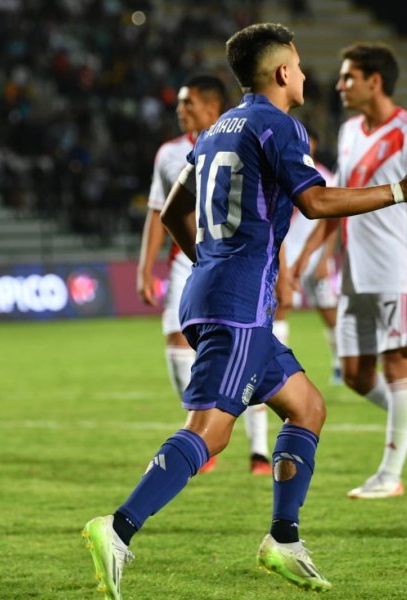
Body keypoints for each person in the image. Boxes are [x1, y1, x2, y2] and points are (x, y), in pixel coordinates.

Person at [82, 22, 407, 599]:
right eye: (299, 65)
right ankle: (119, 527)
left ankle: (283, 539)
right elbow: (315, 200)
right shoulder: (280, 126)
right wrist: (400, 191)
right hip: (238, 306)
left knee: (307, 407)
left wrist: (214, 260)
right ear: (281, 72)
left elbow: (175, 211)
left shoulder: (217, 128)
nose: (304, 75)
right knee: (210, 432)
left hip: (216, 292)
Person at [293, 43, 407, 500]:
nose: (339, 85)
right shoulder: (350, 132)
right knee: (356, 374)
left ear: (374, 81)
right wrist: (311, 255)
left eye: (348, 77)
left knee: (397, 364)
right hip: (354, 273)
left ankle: (390, 473)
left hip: (399, 269)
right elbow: (341, 199)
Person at [136, 74, 272, 475]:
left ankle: (259, 451)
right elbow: (159, 212)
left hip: (234, 259)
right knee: (175, 342)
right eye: (179, 103)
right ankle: (200, 436)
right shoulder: (168, 154)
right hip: (187, 257)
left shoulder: (238, 139)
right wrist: (145, 267)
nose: (181, 110)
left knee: (248, 352)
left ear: (212, 108)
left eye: (188, 103)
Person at [274, 128, 342, 384]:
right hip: (287, 253)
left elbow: (332, 221)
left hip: (315, 257)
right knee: (282, 305)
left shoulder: (326, 177)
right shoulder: (284, 171)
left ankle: (339, 364)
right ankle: (279, 368)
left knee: (327, 310)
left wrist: (325, 258)